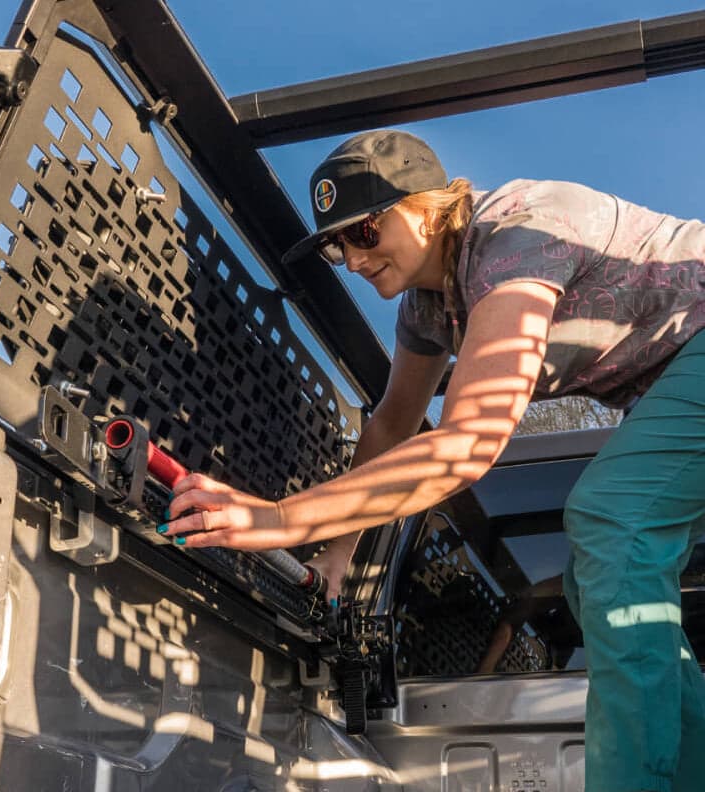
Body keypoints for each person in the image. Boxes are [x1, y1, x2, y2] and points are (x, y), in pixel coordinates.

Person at [159, 129, 705, 791]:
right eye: (336, 247)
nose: (353, 261)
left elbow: (471, 442)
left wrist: (279, 519)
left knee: (612, 522)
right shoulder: (429, 310)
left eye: (363, 233)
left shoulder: (515, 234)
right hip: (673, 379)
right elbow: (392, 422)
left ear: (428, 207)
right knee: (599, 583)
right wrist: (340, 548)